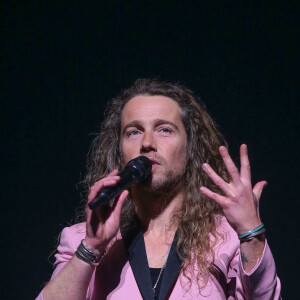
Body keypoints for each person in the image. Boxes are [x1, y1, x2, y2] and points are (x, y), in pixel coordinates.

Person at [36, 79, 281, 300]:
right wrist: (91, 247)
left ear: (191, 149)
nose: (147, 143)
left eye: (164, 129)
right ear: (119, 152)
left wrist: (251, 234)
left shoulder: (227, 237)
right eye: (133, 132)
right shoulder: (83, 238)